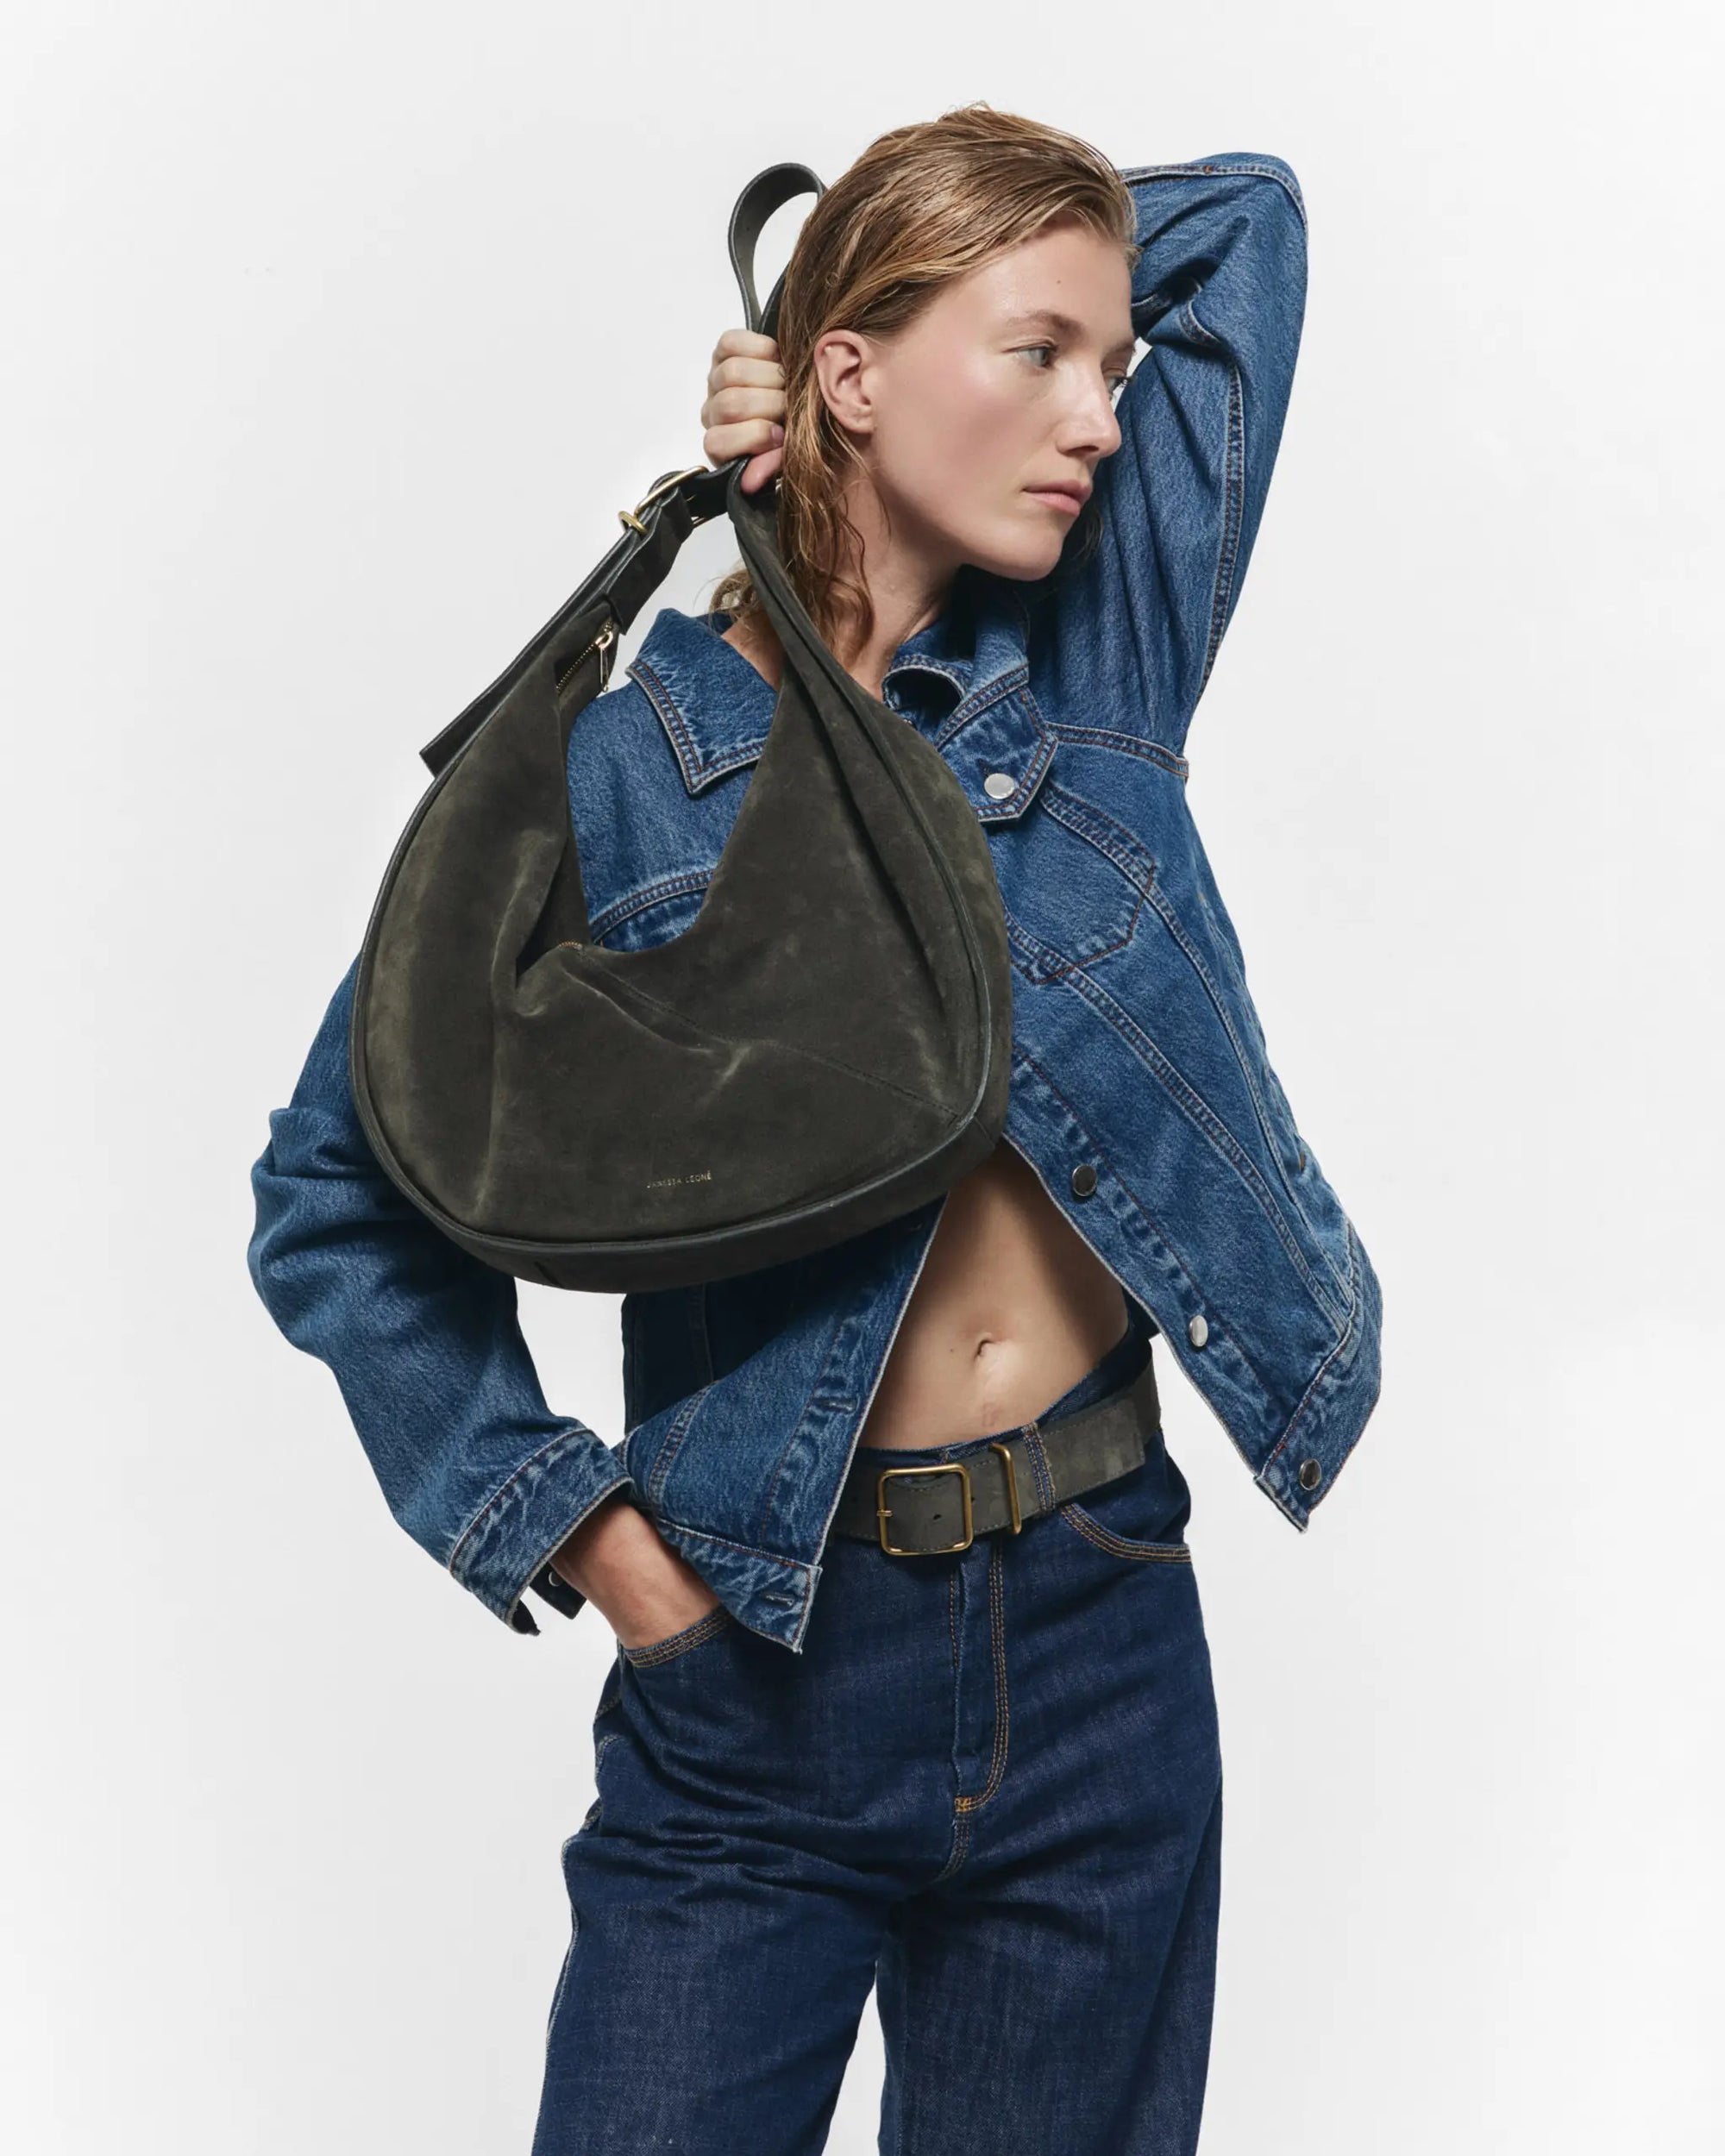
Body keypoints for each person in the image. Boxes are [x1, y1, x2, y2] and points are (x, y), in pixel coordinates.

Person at [248, 103, 1383, 2155]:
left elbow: (1254, 230)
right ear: (852, 380)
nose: (1097, 419)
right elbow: (331, 1191)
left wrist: (846, 289)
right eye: (1031, 354)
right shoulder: (623, 772)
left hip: (1104, 1624)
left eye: (1108, 367)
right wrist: (585, 1541)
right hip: (758, 1656)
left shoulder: (1094, 666)